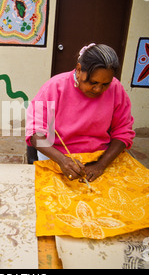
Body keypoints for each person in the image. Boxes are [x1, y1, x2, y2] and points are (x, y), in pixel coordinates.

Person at [26, 43, 135, 182]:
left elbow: (123, 131)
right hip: (58, 156)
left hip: (101, 157)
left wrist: (101, 165)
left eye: (105, 84)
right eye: (92, 82)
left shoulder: (116, 88)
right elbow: (35, 134)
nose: (98, 89)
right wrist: (62, 160)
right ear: (78, 70)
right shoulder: (54, 88)